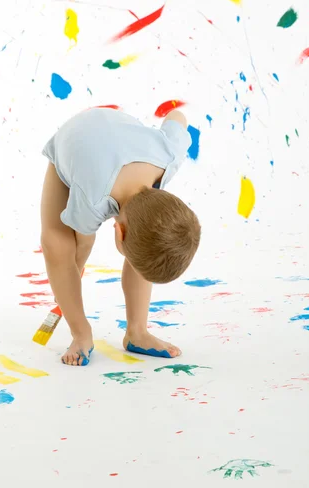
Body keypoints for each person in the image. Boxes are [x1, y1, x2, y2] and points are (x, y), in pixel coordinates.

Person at [40, 107, 201, 366]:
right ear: (118, 231)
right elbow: (81, 242)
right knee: (57, 244)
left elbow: (179, 117)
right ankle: (81, 334)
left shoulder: (170, 154)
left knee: (150, 238)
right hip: (73, 140)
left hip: (114, 131)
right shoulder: (93, 199)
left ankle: (137, 332)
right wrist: (71, 275)